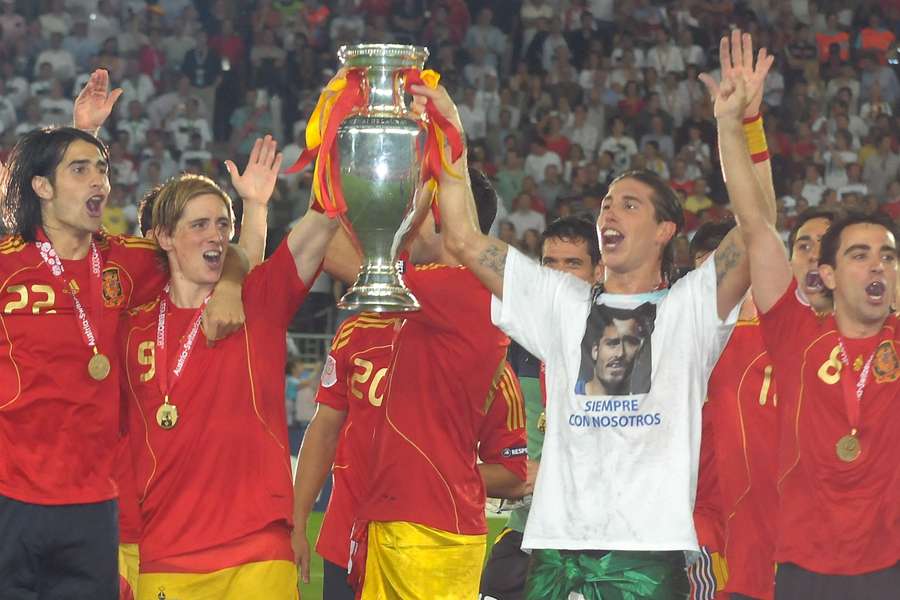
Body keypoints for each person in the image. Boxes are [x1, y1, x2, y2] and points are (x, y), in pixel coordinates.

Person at [410, 29, 775, 598]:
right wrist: (450, 136)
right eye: (606, 201)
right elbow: (460, 236)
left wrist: (738, 125)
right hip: (556, 549)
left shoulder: (688, 310)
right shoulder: (562, 302)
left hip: (646, 555)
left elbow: (759, 231)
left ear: (664, 231)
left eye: (629, 204)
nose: (610, 211)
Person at [0, 70, 244, 600]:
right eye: (83, 170)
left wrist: (229, 284)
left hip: (94, 502)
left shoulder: (126, 262)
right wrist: (74, 132)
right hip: (8, 494)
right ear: (41, 188)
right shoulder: (5, 268)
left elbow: (214, 246)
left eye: (103, 170)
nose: (101, 183)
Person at [314, 168, 531, 599]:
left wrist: (396, 212)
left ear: (445, 220)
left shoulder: (462, 289)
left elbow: (333, 252)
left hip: (430, 531)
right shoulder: (427, 301)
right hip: (395, 520)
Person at [730, 85, 900, 600]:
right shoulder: (795, 336)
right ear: (825, 273)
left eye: (888, 256)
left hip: (891, 565)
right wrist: (731, 123)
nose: (877, 264)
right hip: (804, 566)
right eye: (860, 254)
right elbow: (755, 226)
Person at [480, 216, 602, 600]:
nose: (559, 275)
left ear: (599, 272)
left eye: (573, 263)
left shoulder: (617, 349)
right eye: (550, 263)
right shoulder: (514, 343)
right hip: (526, 528)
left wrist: (546, 473)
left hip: (591, 539)